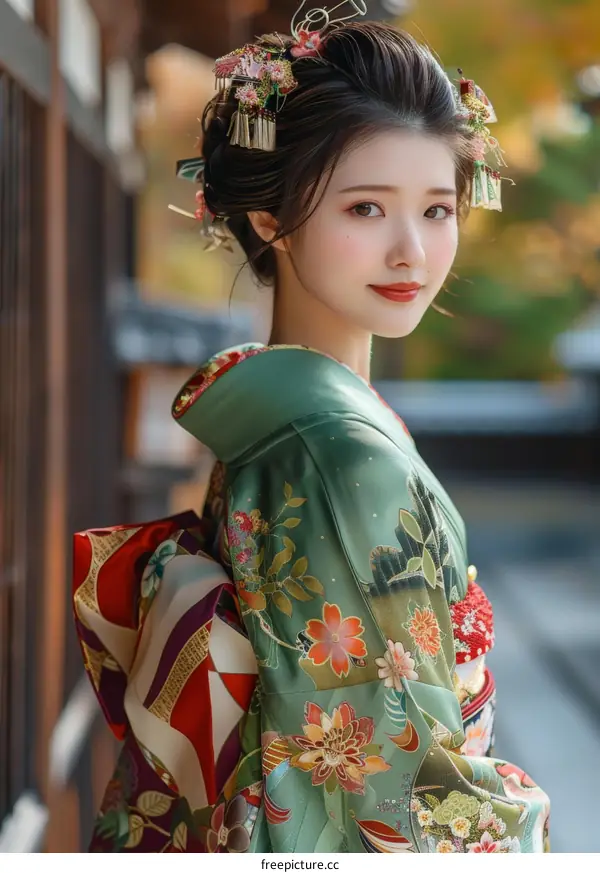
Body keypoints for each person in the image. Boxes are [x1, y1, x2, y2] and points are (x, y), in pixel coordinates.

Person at [73, 4, 550, 853]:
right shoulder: (336, 451)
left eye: (437, 210)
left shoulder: (284, 416)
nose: (412, 251)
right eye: (366, 210)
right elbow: (387, 784)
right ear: (269, 218)